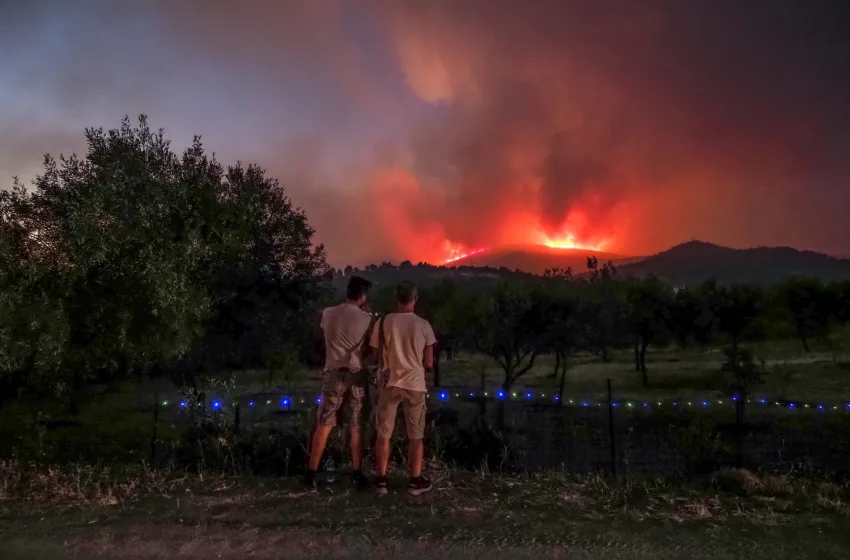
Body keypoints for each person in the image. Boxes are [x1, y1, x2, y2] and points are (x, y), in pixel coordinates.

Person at [304, 275, 375, 490]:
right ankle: (356, 471)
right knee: (355, 423)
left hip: (333, 371)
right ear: (362, 296)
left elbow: (323, 333)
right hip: (355, 373)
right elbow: (369, 349)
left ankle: (311, 473)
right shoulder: (367, 318)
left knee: (325, 422)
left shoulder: (328, 313)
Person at [369, 281, 436, 496]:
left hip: (390, 383)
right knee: (415, 436)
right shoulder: (424, 325)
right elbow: (429, 363)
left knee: (384, 434)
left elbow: (374, 351)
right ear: (415, 299)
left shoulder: (383, 321)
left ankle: (381, 480)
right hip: (414, 385)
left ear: (397, 298)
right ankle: (414, 481)